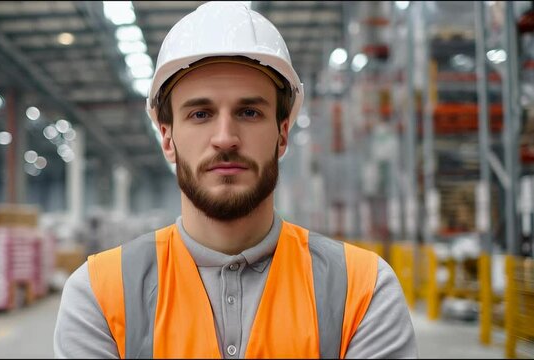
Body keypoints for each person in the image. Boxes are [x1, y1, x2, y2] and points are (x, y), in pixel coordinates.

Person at [54, 2, 417, 358]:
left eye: (249, 112)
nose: (225, 137)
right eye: (200, 114)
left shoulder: (362, 289)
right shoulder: (100, 293)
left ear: (283, 134)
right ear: (167, 139)